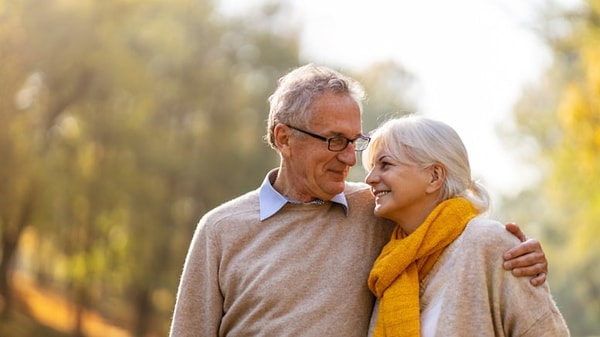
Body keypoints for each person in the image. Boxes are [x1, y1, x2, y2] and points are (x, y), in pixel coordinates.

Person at [169, 64, 548, 337]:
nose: (351, 158)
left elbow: (448, 219)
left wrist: (518, 254)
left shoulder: (378, 209)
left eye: (355, 141)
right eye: (335, 140)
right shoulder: (221, 230)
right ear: (284, 138)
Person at [362, 115, 569, 336]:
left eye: (385, 165)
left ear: (434, 176)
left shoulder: (489, 242)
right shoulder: (390, 265)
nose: (370, 179)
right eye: (372, 167)